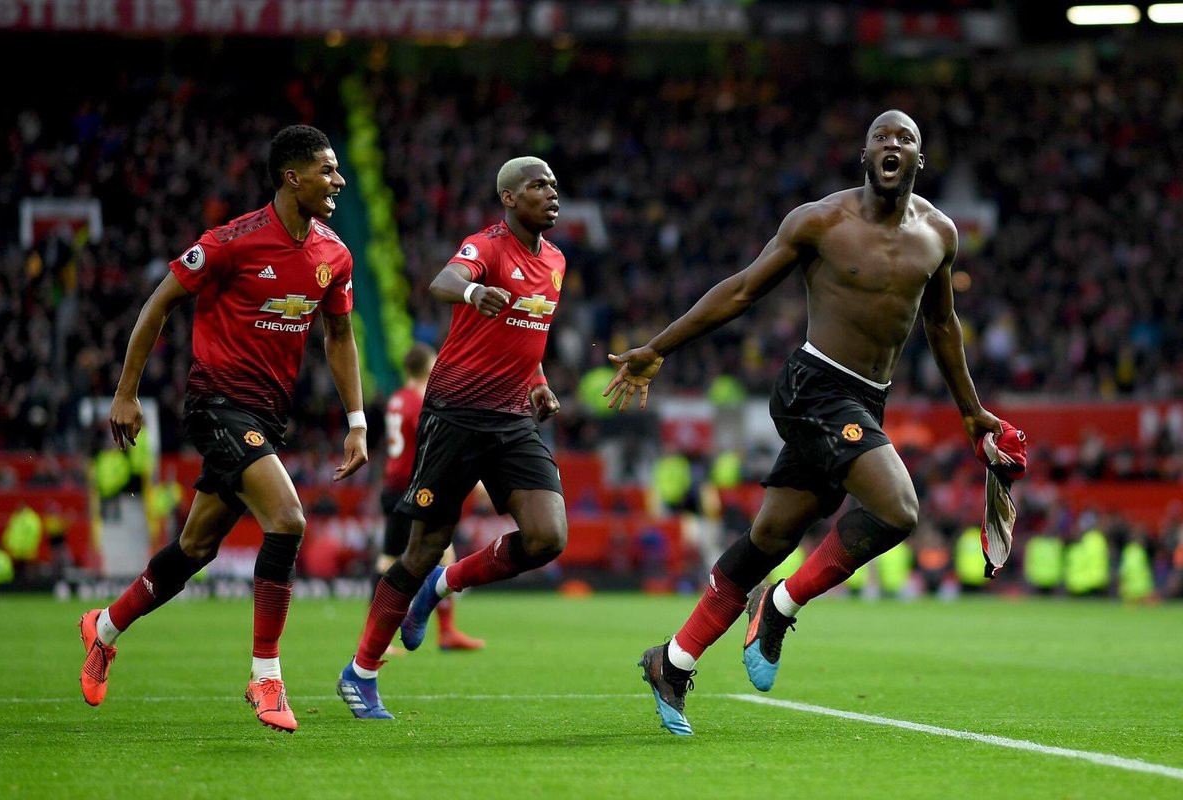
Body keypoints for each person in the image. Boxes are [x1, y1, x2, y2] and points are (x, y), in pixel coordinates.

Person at [605, 110, 1005, 736]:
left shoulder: (939, 234)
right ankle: (780, 602)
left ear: (919, 159)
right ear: (864, 155)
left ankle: (672, 661)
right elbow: (742, 290)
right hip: (814, 386)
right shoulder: (820, 221)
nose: (893, 145)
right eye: (881, 137)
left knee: (770, 536)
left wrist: (971, 410)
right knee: (899, 509)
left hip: (867, 400)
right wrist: (659, 347)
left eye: (905, 139)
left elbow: (941, 324)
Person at [79, 125, 368, 734]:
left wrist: (356, 421)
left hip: (267, 416)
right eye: (327, 170)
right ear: (292, 177)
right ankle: (266, 676)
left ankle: (103, 627)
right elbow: (157, 304)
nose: (338, 181)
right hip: (216, 404)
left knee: (195, 548)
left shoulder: (335, 255)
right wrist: (126, 393)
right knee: (288, 520)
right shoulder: (231, 242)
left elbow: (340, 336)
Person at [335, 156, 566, 720]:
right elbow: (444, 281)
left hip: (511, 417)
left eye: (555, 186)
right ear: (509, 198)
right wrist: (471, 293)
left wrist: (538, 383)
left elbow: (527, 333)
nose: (552, 194)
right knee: (419, 548)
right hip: (456, 414)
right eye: (538, 186)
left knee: (548, 538)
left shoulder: (557, 261)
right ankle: (360, 672)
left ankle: (443, 584)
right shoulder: (486, 246)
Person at [374, 342, 484, 652]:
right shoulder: (420, 401)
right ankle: (378, 636)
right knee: (392, 560)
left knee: (440, 554)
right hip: (412, 489)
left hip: (395, 484)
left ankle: (446, 632)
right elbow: (434, 445)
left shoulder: (398, 398)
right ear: (428, 366)